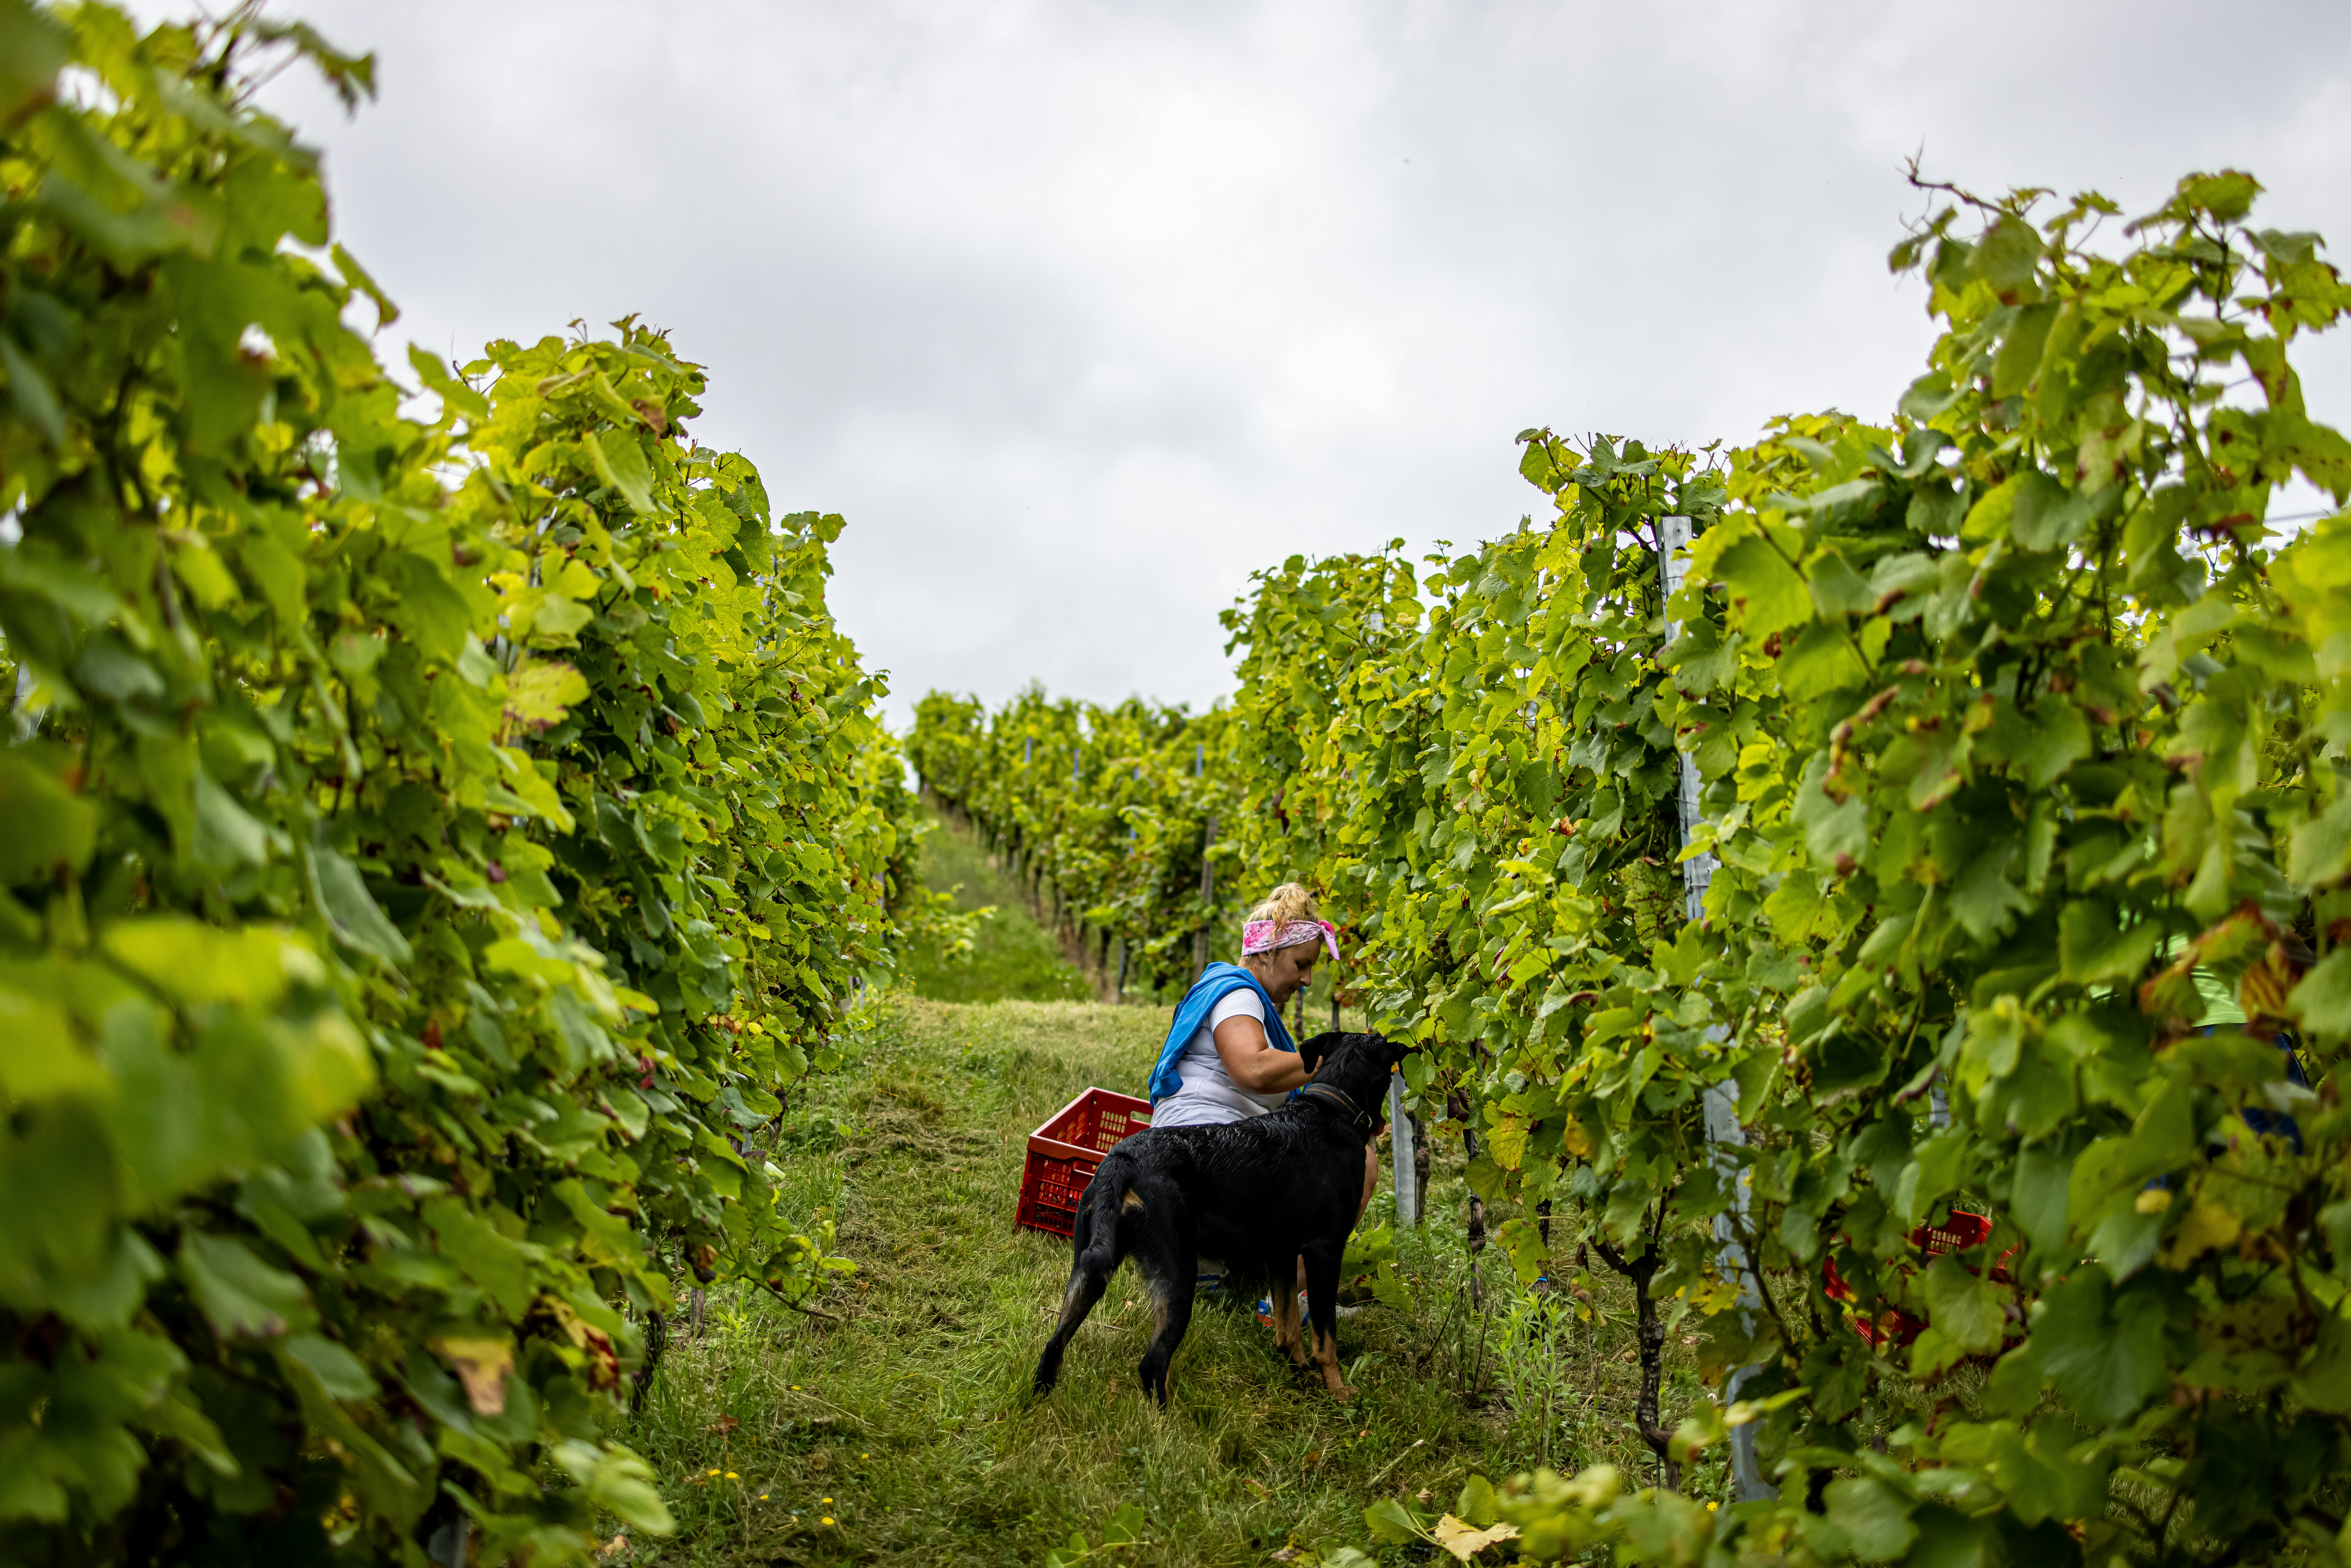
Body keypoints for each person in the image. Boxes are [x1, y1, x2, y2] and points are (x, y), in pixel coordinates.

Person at [1145, 884, 1380, 1311]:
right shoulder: (1238, 993)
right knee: (1356, 1159)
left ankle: (1246, 1275)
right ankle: (1289, 1296)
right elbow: (1251, 1068)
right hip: (1208, 1159)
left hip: (1210, 1157)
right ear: (1269, 952)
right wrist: (1335, 1062)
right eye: (1302, 965)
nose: (1307, 980)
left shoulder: (1247, 1000)